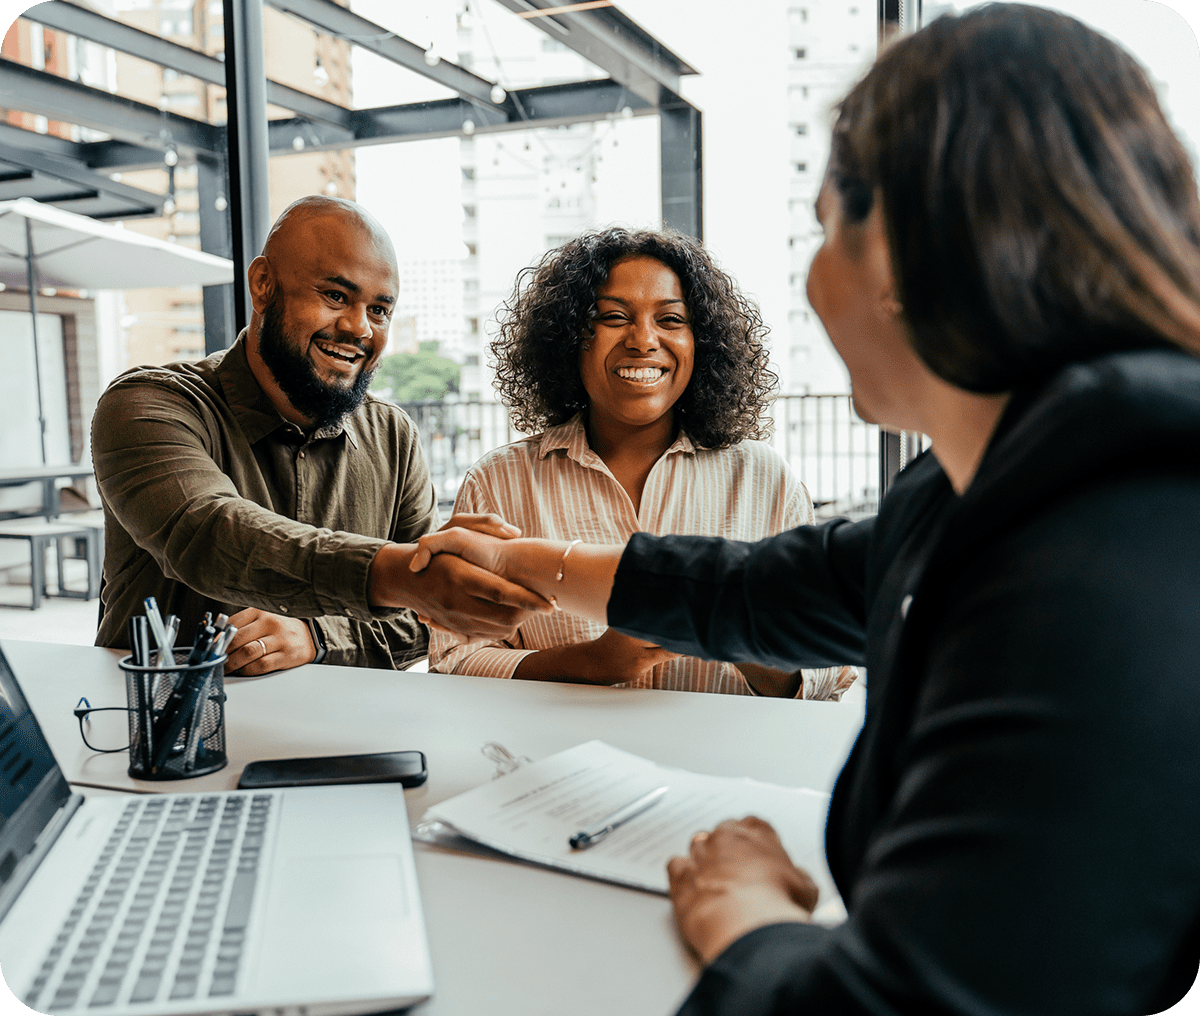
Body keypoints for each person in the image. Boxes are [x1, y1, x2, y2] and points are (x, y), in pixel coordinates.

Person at [407, 6, 1200, 1013]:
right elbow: (780, 583)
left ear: (909, 255)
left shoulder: (1109, 559)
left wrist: (743, 913)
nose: (813, 275)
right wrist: (534, 565)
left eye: (824, 224)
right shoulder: (991, 480)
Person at [92, 195, 549, 675]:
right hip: (171, 731)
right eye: (335, 296)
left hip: (347, 737)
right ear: (263, 284)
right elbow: (209, 535)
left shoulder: (393, 435)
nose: (358, 328)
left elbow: (429, 622)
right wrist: (399, 575)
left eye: (379, 310)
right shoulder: (149, 404)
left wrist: (319, 636)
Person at [430, 227, 856, 698]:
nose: (643, 340)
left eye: (671, 319)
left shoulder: (764, 481)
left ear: (703, 343)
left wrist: (733, 630)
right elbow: (454, 659)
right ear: (570, 337)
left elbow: (830, 671)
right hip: (554, 762)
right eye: (613, 317)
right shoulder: (499, 482)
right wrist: (589, 664)